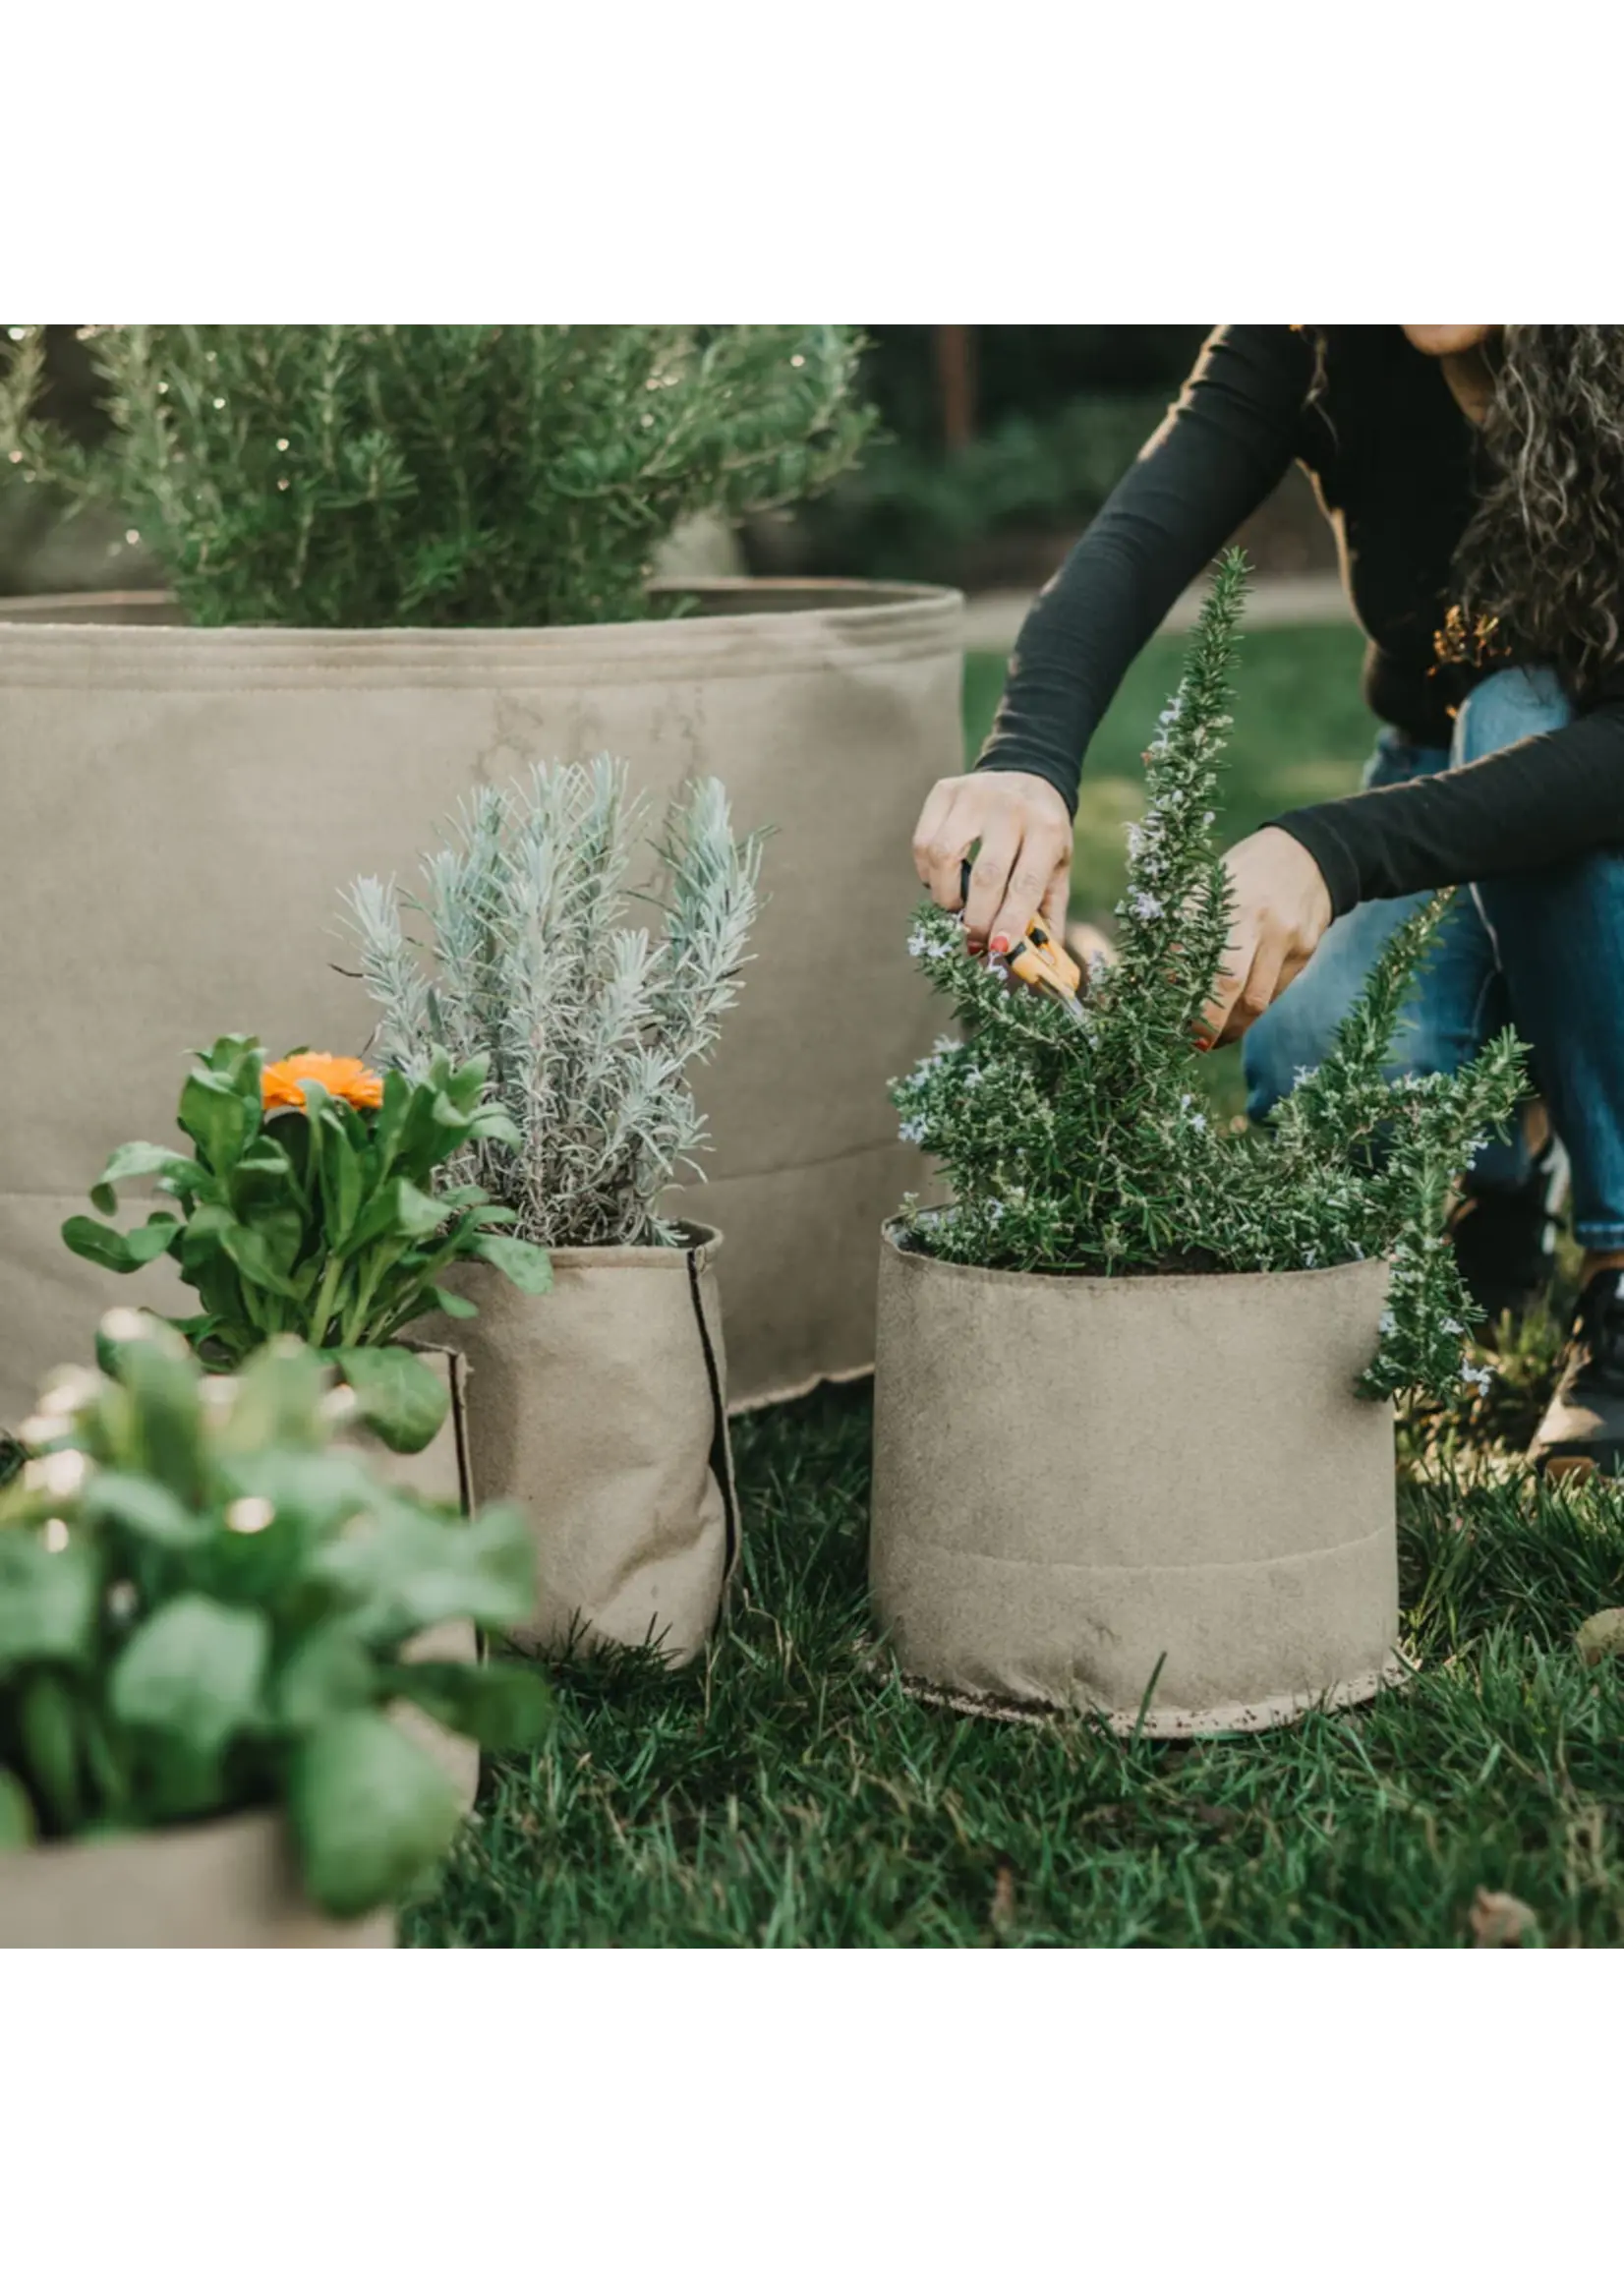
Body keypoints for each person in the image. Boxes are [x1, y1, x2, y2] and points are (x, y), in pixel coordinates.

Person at [911, 322, 1624, 1476]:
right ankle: (1499, 1162)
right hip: (1432, 773)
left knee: (1523, 706)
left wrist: (1325, 851)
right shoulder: (1309, 337)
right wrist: (1025, 758)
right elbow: (1136, 539)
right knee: (1310, 1043)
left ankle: (1615, 1258)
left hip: (1598, 780)